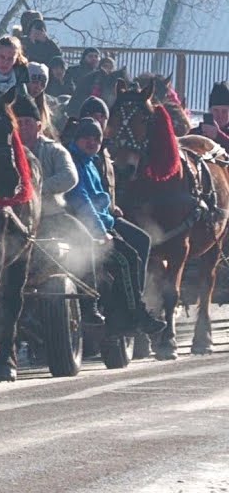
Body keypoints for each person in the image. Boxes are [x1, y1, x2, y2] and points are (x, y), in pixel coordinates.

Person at [65, 119, 166, 336]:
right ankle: (132, 314)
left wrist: (111, 212)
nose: (92, 142)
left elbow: (100, 199)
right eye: (86, 138)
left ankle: (128, 309)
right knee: (128, 259)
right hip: (86, 231)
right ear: (76, 140)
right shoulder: (74, 161)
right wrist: (101, 231)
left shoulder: (90, 161)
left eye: (97, 139)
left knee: (140, 243)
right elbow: (81, 200)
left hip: (104, 222)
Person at [13, 94, 104, 325]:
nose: (23, 127)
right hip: (14, 220)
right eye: (19, 122)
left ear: (39, 125)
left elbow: (69, 177)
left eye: (28, 122)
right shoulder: (6, 151)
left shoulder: (54, 150)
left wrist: (34, 191)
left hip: (52, 217)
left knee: (84, 240)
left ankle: (88, 304)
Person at [205, 81, 229, 148]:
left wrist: (218, 136)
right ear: (210, 111)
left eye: (224, 111)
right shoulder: (197, 133)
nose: (220, 116)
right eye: (216, 111)